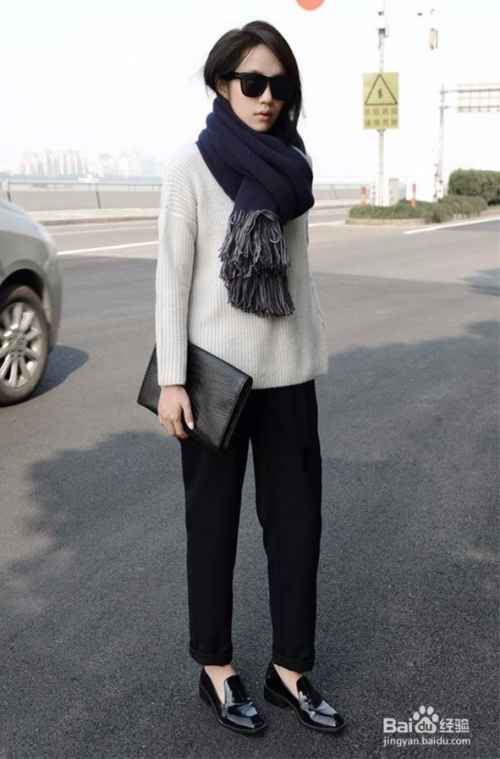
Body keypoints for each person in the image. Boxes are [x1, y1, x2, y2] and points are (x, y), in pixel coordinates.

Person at [155, 19, 345, 736]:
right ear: (222, 84)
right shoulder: (189, 166)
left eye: (278, 84)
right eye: (252, 82)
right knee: (212, 527)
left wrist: (311, 347)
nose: (267, 96)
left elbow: (298, 275)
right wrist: (172, 379)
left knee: (297, 528)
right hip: (214, 375)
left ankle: (290, 670)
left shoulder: (294, 164)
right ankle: (215, 666)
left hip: (289, 373)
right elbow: (172, 277)